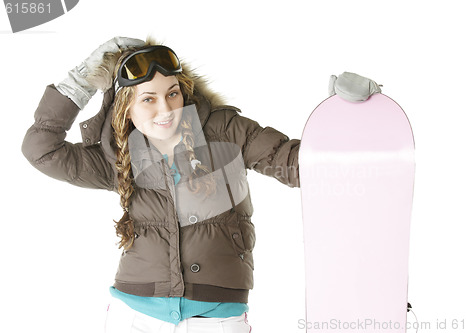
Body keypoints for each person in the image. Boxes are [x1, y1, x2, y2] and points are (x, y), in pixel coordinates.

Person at [22, 37, 379, 333]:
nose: (166, 109)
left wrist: (350, 116)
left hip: (218, 316)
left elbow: (298, 165)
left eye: (173, 93)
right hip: (135, 315)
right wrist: (82, 79)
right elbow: (40, 149)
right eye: (148, 99)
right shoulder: (116, 157)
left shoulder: (223, 130)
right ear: (125, 109)